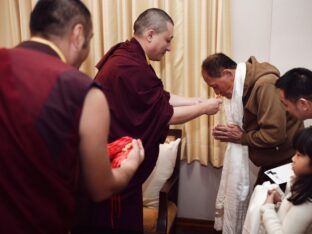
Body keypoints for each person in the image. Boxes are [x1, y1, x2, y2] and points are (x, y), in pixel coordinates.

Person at [0, 1, 144, 233]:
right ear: (78, 33)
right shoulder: (81, 90)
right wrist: (131, 165)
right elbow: (99, 187)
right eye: (90, 37)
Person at [75, 8, 222, 233]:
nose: (170, 47)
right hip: (113, 165)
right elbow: (164, 113)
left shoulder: (129, 57)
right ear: (150, 34)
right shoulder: (130, 65)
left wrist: (194, 100)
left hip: (116, 166)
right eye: (168, 39)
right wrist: (203, 108)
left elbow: (159, 98)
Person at [201, 53, 303, 187]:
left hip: (287, 162)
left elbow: (274, 134)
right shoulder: (245, 87)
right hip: (274, 160)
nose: (217, 93)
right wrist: (231, 132)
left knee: (261, 206)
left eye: (215, 86)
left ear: (228, 74)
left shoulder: (265, 85)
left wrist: (241, 137)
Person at [260, 126, 312, 234]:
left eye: (299, 155)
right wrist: (281, 200)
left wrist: (267, 208)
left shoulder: (306, 205)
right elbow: (290, 217)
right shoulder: (301, 186)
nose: (293, 159)